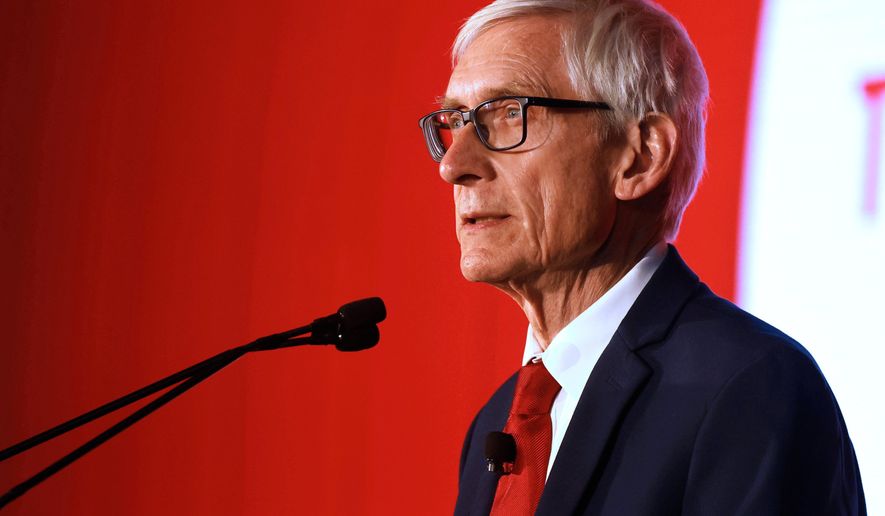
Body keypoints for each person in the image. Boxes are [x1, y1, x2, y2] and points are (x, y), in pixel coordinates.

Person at [417, 0, 866, 514]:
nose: (453, 165)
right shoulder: (497, 423)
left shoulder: (750, 389)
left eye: (507, 115)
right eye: (455, 121)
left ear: (641, 156)